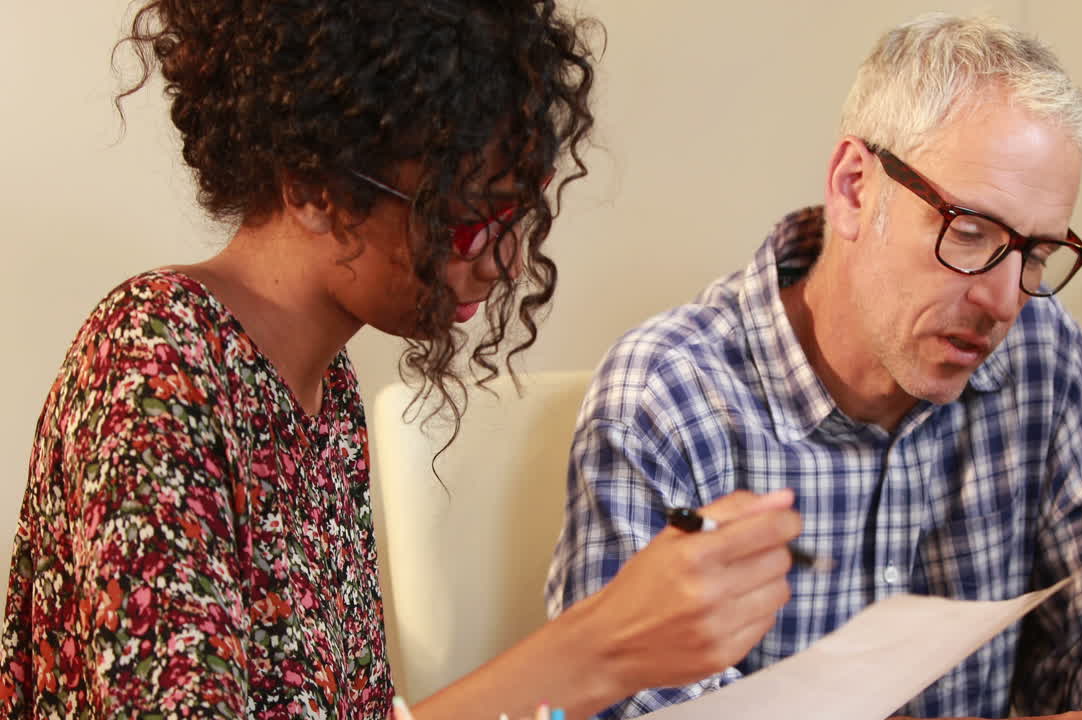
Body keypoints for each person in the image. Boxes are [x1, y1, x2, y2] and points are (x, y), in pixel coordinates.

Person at [0, 2, 803, 719]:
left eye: (521, 213)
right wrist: (597, 649)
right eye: (469, 220)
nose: (505, 263)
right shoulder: (153, 361)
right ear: (316, 184)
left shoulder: (325, 393)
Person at [546, 12, 1082, 720]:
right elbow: (620, 705)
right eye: (972, 231)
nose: (1004, 298)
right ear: (855, 187)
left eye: (1038, 253)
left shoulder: (1045, 356)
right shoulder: (669, 401)